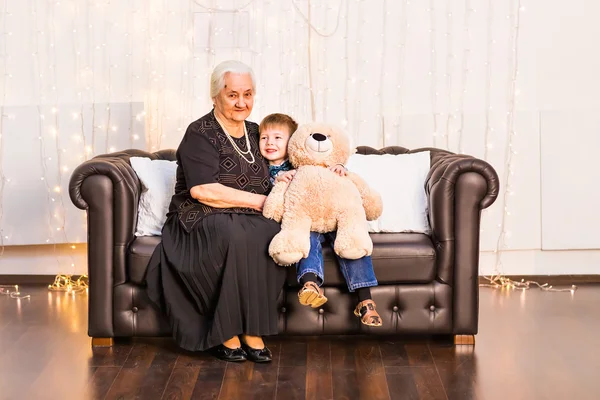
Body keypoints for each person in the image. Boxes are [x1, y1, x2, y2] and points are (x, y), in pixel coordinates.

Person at [144, 61, 286, 363]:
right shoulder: (200, 132)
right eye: (232, 95)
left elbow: (287, 160)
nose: (241, 102)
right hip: (200, 217)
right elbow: (202, 191)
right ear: (215, 96)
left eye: (248, 94)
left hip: (250, 216)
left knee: (270, 233)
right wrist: (262, 203)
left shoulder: (257, 131)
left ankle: (252, 328)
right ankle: (226, 330)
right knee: (233, 234)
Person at [258, 113, 382, 327]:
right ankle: (310, 284)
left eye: (278, 138)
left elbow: (329, 172)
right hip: (304, 221)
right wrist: (276, 179)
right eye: (264, 138)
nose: (270, 143)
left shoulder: (304, 158)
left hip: (332, 217)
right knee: (308, 241)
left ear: (292, 142)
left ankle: (366, 301)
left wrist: (342, 169)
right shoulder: (259, 168)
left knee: (352, 243)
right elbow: (270, 201)